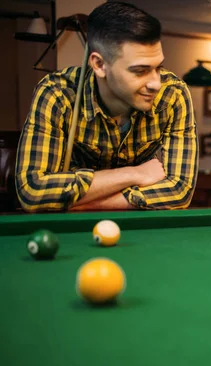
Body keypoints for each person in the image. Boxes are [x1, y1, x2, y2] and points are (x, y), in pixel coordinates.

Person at [15, 1, 198, 212]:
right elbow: (34, 191)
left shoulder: (173, 94)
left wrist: (84, 204)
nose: (155, 83)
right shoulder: (57, 93)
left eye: (158, 67)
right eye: (140, 71)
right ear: (99, 65)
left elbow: (179, 191)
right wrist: (135, 174)